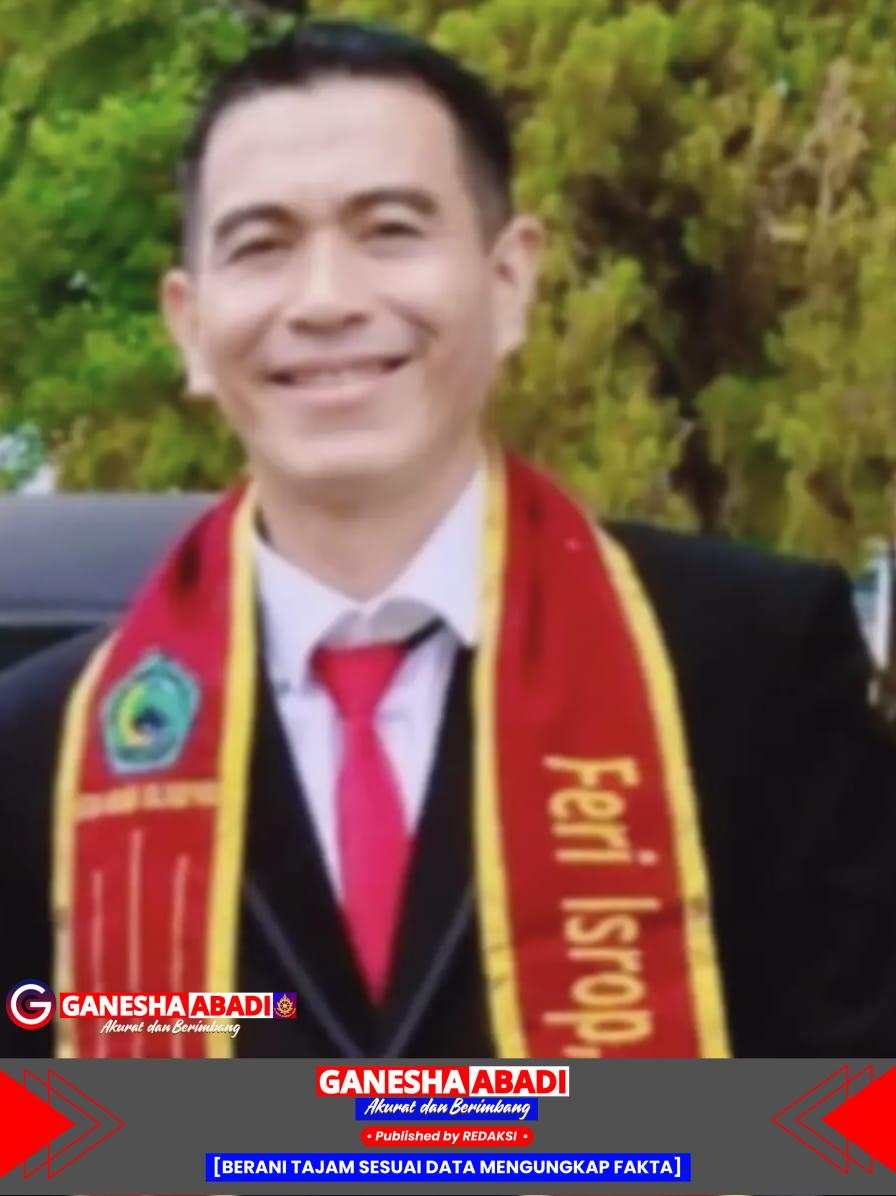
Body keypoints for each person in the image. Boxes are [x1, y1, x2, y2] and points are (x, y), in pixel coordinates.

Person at [1, 19, 895, 1061]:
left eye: (389, 230)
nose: (325, 301)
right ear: (190, 325)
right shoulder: (46, 743)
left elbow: (849, 1117)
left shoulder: (751, 664)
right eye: (262, 246)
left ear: (509, 281)